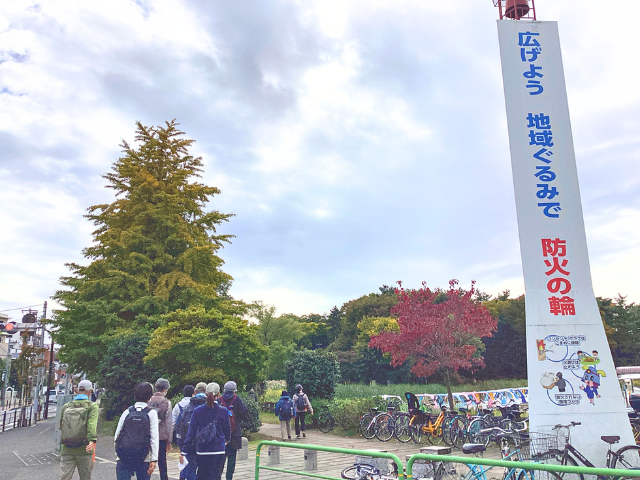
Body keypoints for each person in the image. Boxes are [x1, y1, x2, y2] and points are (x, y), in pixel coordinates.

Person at [183, 383, 231, 480]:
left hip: (202, 449)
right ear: (219, 394)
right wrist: (226, 440)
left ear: (206, 393)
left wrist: (184, 449)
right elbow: (227, 430)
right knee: (216, 475)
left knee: (202, 475)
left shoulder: (198, 411)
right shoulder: (223, 411)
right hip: (218, 449)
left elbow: (191, 431)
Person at [114, 382, 159, 480]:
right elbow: (154, 437)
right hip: (143, 457)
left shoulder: (127, 412)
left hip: (124, 456)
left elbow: (117, 434)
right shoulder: (151, 413)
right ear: (150, 396)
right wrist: (154, 459)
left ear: (135, 395)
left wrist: (118, 453)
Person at [59, 379, 99, 480]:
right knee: (85, 477)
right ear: (90, 391)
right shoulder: (92, 406)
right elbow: (92, 425)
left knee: (65, 477)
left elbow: (61, 425)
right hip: (84, 449)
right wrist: (92, 441)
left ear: (78, 391)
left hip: (67, 448)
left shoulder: (66, 406)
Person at [217, 381, 248, 480]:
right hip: (234, 434)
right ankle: (229, 477)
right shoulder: (236, 399)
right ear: (234, 390)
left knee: (220, 459)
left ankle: (218, 477)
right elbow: (244, 413)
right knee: (232, 459)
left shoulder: (219, 400)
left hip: (221, 435)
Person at [177, 383, 208, 480]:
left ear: (195, 392)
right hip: (206, 443)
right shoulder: (210, 406)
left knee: (191, 467)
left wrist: (183, 445)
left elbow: (180, 425)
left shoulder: (187, 406)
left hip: (190, 443)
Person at [148, 378, 173, 480]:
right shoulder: (167, 402)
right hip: (161, 436)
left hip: (149, 435)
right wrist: (169, 440)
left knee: (148, 460)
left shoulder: (149, 400)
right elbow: (169, 423)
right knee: (162, 461)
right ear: (165, 389)